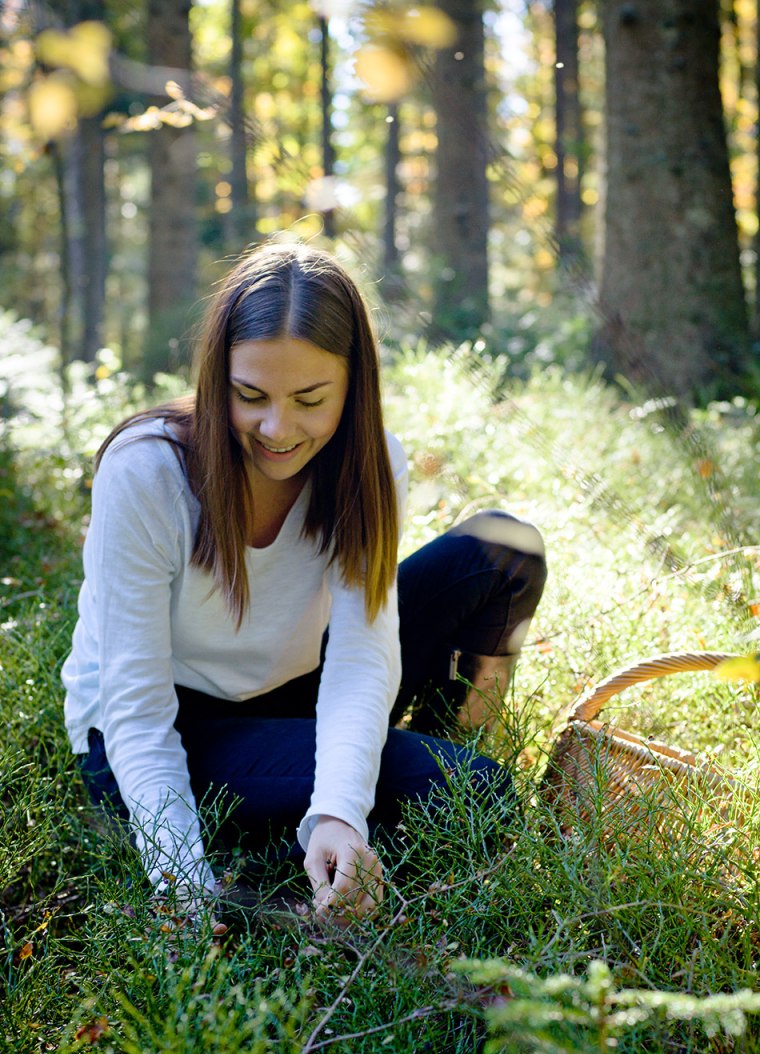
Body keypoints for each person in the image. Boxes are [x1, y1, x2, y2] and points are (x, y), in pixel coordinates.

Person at [62, 240, 546, 921]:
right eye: (249, 395)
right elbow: (136, 710)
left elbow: (359, 651)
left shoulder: (371, 462)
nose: (277, 428)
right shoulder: (150, 473)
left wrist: (340, 812)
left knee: (503, 548)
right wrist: (185, 888)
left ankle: (428, 745)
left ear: (353, 388)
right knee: (475, 792)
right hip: (163, 727)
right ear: (216, 376)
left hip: (295, 686)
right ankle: (395, 776)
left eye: (310, 399)